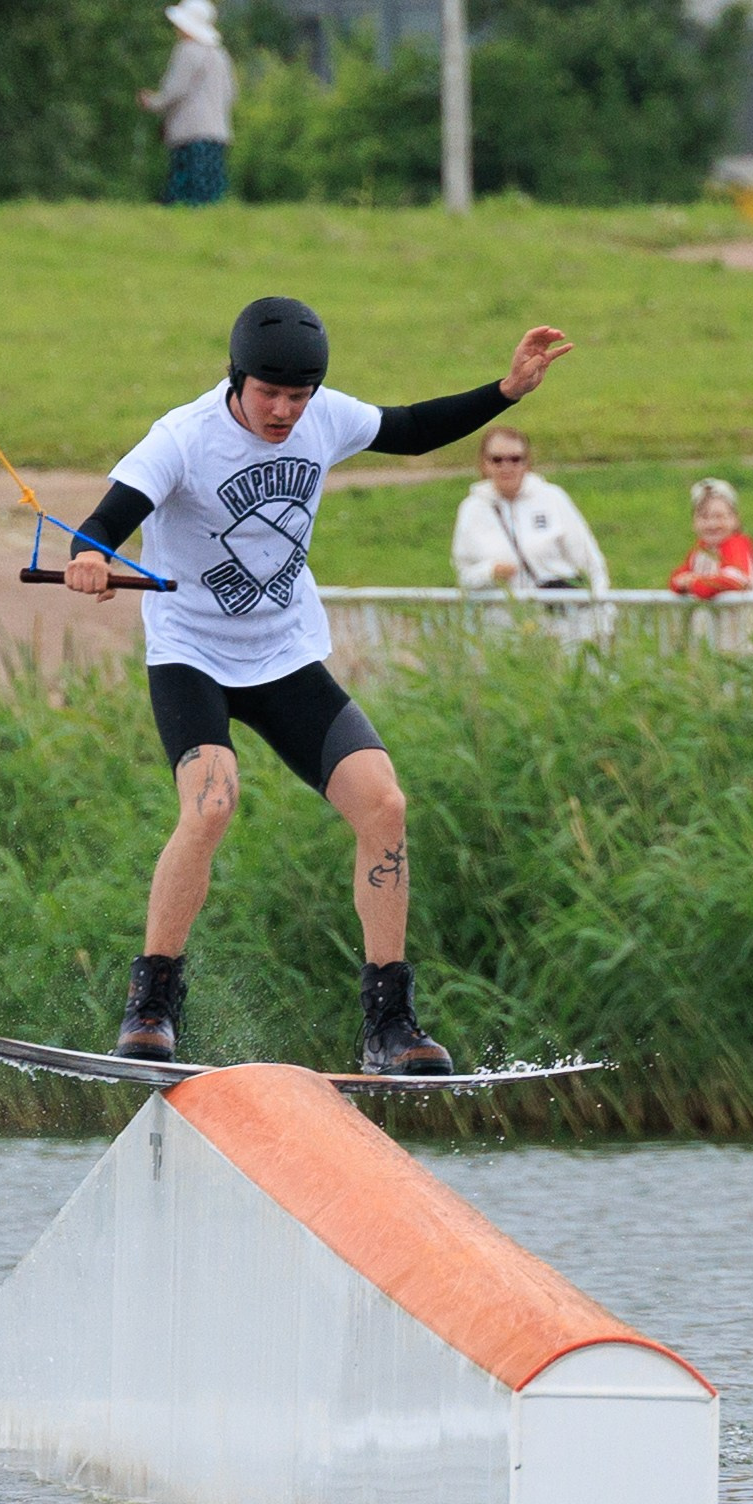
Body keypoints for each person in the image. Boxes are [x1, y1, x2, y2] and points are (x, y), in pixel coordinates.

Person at [64, 297, 573, 1073]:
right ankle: (151, 1007)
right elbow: (107, 518)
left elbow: (407, 429)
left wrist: (503, 391)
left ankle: (388, 1025)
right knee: (211, 801)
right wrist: (93, 555)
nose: (283, 411)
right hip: (192, 654)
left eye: (297, 398)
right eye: (269, 394)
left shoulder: (322, 416)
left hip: (285, 655)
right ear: (238, 378)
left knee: (384, 802)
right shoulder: (184, 436)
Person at [450, 425, 609, 598]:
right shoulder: (472, 508)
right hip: (503, 619)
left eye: (515, 459)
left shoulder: (552, 497)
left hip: (560, 617)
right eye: (497, 460)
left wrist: (601, 611)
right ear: (484, 463)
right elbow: (464, 575)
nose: (507, 467)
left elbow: (590, 561)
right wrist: (490, 572)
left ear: (527, 462)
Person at [140, 0, 236, 206]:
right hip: (217, 133)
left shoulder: (187, 51)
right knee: (210, 194)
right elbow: (230, 93)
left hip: (190, 133)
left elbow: (175, 90)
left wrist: (153, 102)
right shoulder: (220, 54)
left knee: (183, 195)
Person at [670, 478, 753, 598]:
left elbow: (736, 578)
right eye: (704, 517)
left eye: (719, 516)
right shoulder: (701, 549)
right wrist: (679, 583)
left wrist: (696, 584)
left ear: (735, 520)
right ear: (694, 522)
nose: (712, 524)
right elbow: (679, 576)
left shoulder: (736, 544)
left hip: (733, 616)